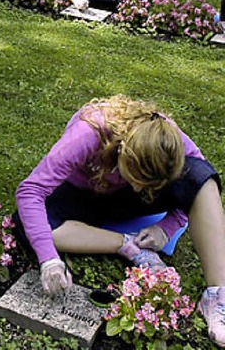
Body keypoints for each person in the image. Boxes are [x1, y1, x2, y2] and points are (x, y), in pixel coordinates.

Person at [14, 95, 225, 347]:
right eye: (136, 178)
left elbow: (199, 182)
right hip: (85, 194)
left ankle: (217, 294)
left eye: (146, 183)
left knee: (202, 176)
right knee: (29, 224)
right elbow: (30, 191)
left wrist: (167, 228)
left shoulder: (167, 138)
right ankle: (127, 244)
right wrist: (49, 259)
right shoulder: (88, 132)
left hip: (129, 202)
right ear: (123, 152)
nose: (138, 188)